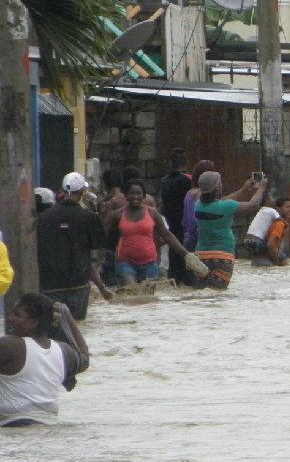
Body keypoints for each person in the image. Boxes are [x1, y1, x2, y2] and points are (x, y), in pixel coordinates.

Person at [1, 294, 90, 426]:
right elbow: (84, 359)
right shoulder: (63, 351)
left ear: (33, 323)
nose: (10, 318)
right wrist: (67, 316)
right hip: (50, 427)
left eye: (17, 315)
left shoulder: (10, 345)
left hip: (13, 426)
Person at [36, 172, 112, 319]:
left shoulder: (43, 218)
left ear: (62, 191)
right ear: (82, 192)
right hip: (78, 285)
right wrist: (101, 287)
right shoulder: (90, 218)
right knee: (77, 325)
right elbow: (94, 257)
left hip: (50, 285)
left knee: (53, 325)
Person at [104, 180, 189, 284]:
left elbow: (167, 235)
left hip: (149, 263)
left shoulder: (152, 213)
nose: (135, 197)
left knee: (148, 294)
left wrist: (186, 254)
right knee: (131, 289)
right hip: (125, 262)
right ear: (125, 195)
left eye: (139, 193)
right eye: (132, 193)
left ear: (144, 195)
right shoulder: (117, 215)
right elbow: (102, 234)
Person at [193, 171, 267, 289]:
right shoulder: (227, 206)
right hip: (223, 257)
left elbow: (222, 201)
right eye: (220, 183)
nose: (221, 185)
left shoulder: (197, 205)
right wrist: (261, 188)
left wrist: (243, 190)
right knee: (218, 293)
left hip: (201, 257)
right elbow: (253, 205)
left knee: (202, 292)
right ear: (217, 189)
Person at [159, 149, 193, 283]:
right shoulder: (188, 180)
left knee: (173, 258)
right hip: (186, 227)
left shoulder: (164, 181)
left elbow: (163, 205)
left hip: (170, 226)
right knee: (187, 263)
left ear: (170, 163)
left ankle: (174, 280)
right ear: (187, 162)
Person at [245, 197, 290, 266]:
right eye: (287, 207)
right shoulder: (279, 223)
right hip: (257, 242)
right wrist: (276, 264)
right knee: (282, 257)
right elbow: (270, 245)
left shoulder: (263, 212)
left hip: (248, 241)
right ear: (278, 208)